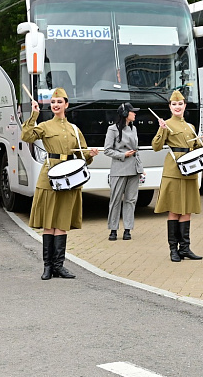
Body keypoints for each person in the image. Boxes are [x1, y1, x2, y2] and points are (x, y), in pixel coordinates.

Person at [22, 87, 98, 280]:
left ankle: (59, 266)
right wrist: (34, 114)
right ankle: (47, 267)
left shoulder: (74, 129)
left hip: (70, 177)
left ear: (66, 105)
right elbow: (26, 136)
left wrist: (90, 154)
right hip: (50, 176)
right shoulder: (45, 126)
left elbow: (82, 154)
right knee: (49, 223)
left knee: (62, 222)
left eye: (59, 102)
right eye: (53, 102)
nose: (55, 105)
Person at [153, 91, 203, 261]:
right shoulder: (166, 124)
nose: (177, 107)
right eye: (174, 104)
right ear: (170, 107)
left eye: (180, 104)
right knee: (174, 209)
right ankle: (173, 249)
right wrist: (161, 129)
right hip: (174, 171)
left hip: (190, 171)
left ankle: (185, 248)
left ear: (185, 106)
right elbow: (156, 146)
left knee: (187, 209)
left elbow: (196, 147)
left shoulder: (190, 127)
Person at [104, 103, 142, 242]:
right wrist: (123, 155)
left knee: (131, 200)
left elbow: (136, 150)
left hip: (133, 169)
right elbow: (107, 150)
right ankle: (113, 229)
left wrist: (141, 169)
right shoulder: (112, 129)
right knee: (115, 199)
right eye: (133, 112)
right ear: (125, 114)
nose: (135, 114)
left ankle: (128, 229)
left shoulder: (134, 128)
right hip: (119, 168)